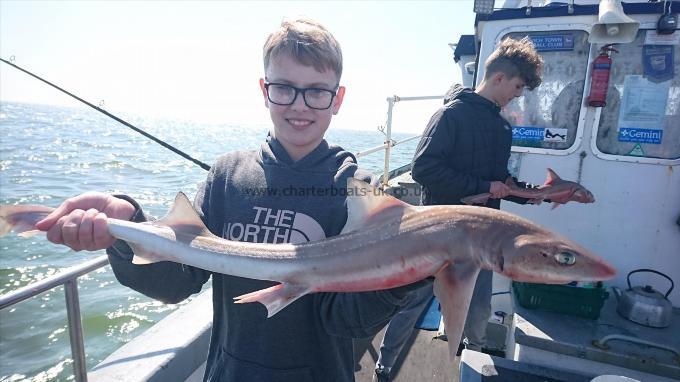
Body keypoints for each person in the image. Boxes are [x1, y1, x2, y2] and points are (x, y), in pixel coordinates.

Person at [36, 17, 423, 382]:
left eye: (317, 92)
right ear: (264, 90)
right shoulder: (227, 176)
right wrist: (128, 231)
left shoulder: (356, 189)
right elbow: (176, 283)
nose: (299, 104)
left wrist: (406, 273)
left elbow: (347, 322)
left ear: (337, 99)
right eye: (284, 88)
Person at [373, 36, 576, 382]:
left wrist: (530, 195)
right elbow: (424, 169)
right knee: (413, 302)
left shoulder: (502, 127)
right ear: (498, 78)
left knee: (478, 308)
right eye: (516, 86)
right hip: (437, 234)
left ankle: (475, 365)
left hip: (482, 239)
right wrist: (482, 187)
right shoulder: (450, 116)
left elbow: (499, 181)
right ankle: (385, 366)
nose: (517, 94)